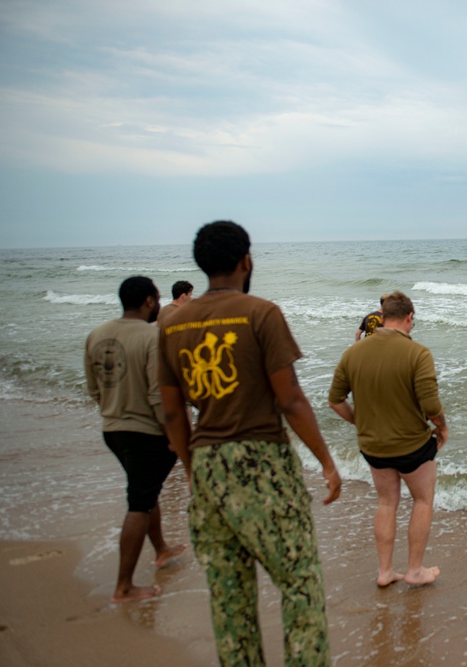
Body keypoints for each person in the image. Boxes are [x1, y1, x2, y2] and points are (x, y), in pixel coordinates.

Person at [157, 221, 341, 667]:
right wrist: (327, 461)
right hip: (262, 462)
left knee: (230, 601)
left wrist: (192, 466)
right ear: (246, 259)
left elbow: (171, 413)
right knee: (299, 584)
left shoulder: (171, 324)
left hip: (206, 465)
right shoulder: (261, 313)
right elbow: (291, 399)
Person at [328, 291, 448, 588]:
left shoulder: (352, 353)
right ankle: (414, 570)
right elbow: (431, 406)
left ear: (381, 318)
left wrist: (361, 421)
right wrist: (442, 428)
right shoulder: (417, 353)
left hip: (373, 446)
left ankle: (385, 572)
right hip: (413, 447)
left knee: (386, 503)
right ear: (409, 318)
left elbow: (335, 401)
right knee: (422, 500)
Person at [84, 276, 186, 604]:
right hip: (146, 432)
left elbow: (94, 388)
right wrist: (175, 437)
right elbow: (160, 396)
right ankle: (124, 586)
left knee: (145, 489)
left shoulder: (96, 334)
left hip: (112, 428)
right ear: (147, 301)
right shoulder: (153, 337)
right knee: (139, 502)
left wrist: (115, 412)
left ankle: (161, 549)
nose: (158, 304)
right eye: (155, 299)